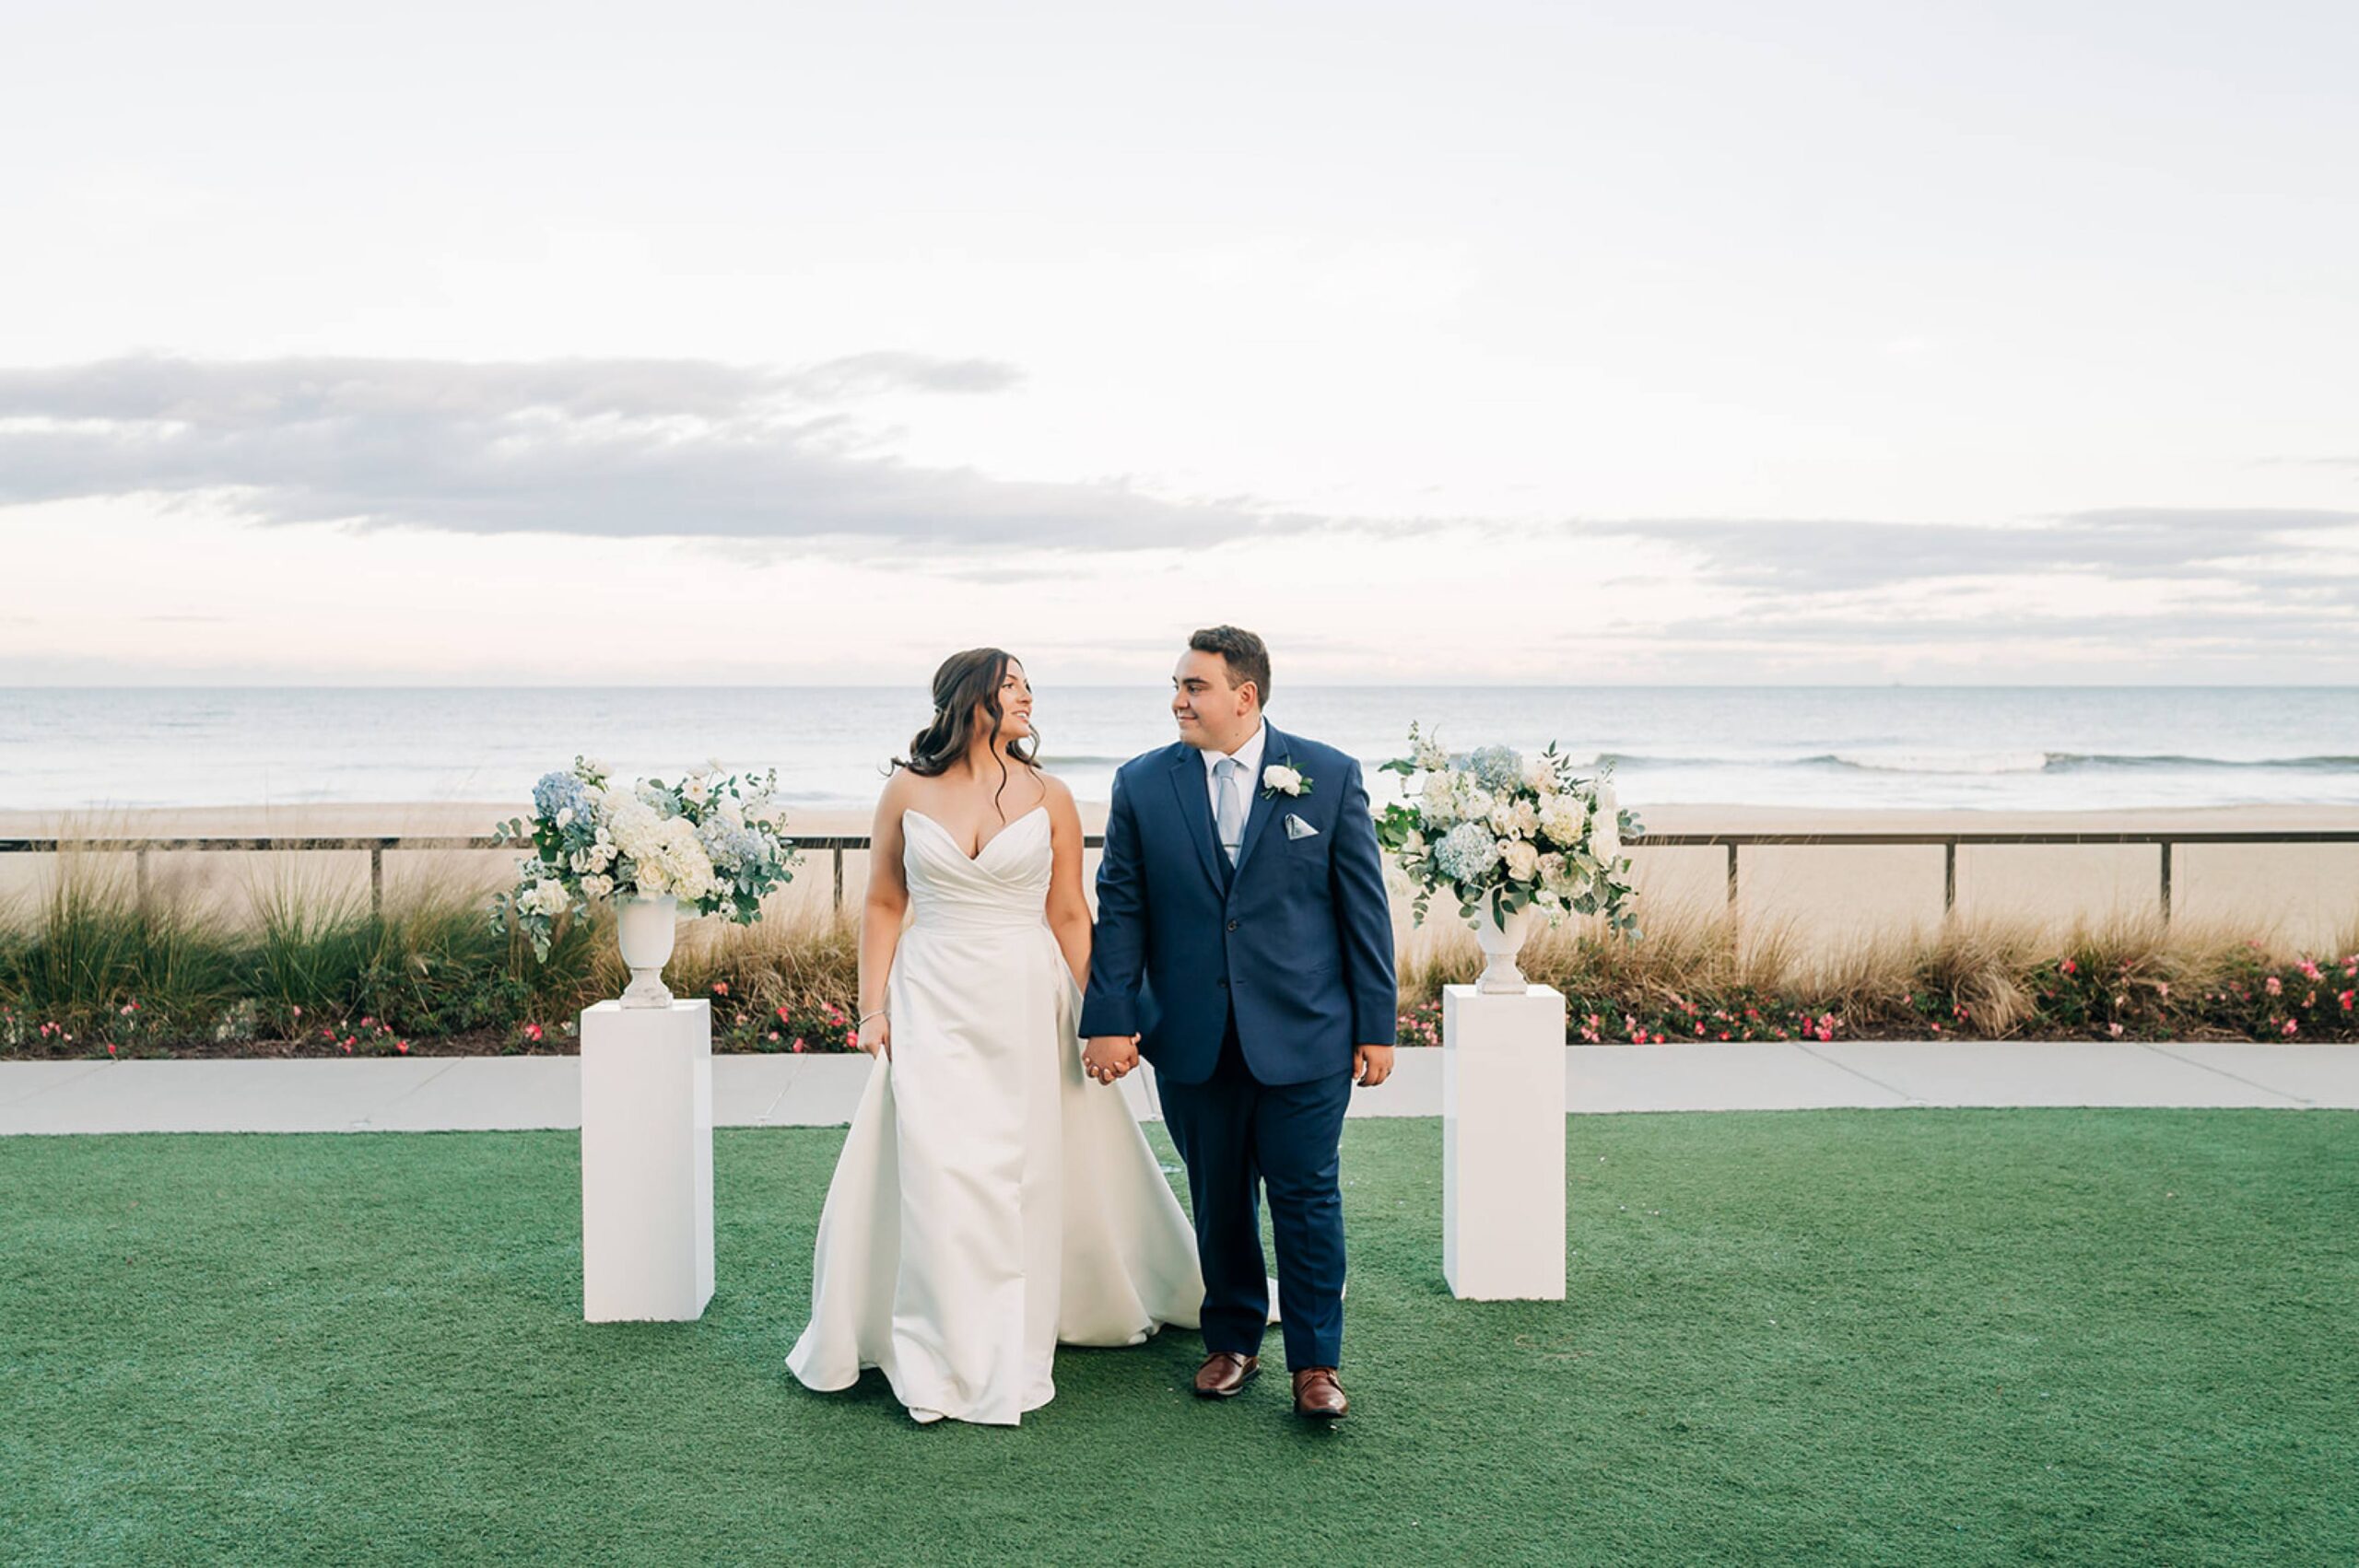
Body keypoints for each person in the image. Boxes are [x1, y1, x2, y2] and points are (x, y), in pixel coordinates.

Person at [787, 649, 1202, 1426]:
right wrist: (870, 1008)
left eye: (1027, 685)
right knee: (942, 1168)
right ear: (970, 698)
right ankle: (942, 1343)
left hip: (1023, 1000)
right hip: (931, 995)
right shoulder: (905, 790)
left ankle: (1009, 1335)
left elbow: (1072, 915)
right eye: (1012, 684)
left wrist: (1107, 1016)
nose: (1027, 696)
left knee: (1018, 1174)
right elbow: (882, 903)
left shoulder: (1052, 795)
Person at [1080, 626, 1397, 1421]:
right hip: (1191, 1032)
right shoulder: (1143, 784)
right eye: (1178, 687)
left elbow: (1364, 908)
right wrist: (1110, 1018)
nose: (1179, 700)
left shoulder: (1326, 775)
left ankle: (1316, 1365)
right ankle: (1232, 1343)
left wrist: (1377, 1025)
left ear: (1243, 696)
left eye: (1194, 687)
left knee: (1307, 1197)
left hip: (1307, 1032)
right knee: (1219, 1198)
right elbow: (1121, 910)